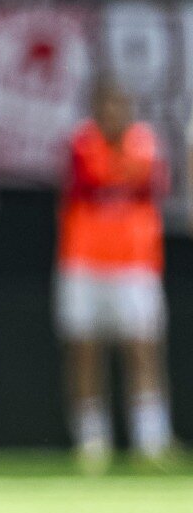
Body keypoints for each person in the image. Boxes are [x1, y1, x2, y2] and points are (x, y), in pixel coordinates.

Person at [57, 80, 176, 469]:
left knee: (143, 349)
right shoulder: (81, 144)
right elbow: (88, 186)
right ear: (94, 107)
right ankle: (92, 442)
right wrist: (119, 181)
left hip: (135, 265)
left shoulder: (146, 143)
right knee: (85, 351)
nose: (111, 113)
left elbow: (149, 185)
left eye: (117, 104)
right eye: (103, 105)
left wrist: (120, 182)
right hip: (84, 263)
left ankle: (151, 440)